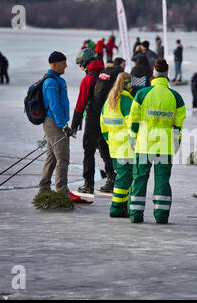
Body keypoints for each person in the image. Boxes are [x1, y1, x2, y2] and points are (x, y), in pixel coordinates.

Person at [127, 59, 186, 224]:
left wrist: (133, 140)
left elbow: (133, 120)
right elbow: (178, 125)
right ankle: (161, 215)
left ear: (154, 74)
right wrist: (176, 143)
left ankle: (135, 215)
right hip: (165, 146)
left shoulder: (142, 94)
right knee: (162, 180)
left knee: (139, 178)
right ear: (167, 75)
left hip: (144, 144)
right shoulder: (176, 97)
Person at [72, 55, 125, 194]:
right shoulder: (104, 75)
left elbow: (80, 103)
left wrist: (74, 124)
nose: (80, 67)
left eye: (80, 65)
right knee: (104, 147)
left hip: (92, 118)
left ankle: (88, 184)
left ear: (85, 63)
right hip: (106, 117)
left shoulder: (88, 78)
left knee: (89, 149)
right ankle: (112, 179)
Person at [38, 51, 83, 203]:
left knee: (52, 157)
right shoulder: (50, 82)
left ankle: (44, 187)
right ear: (55, 64)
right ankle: (62, 190)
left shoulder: (57, 80)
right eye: (63, 63)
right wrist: (62, 125)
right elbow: (54, 105)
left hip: (56, 121)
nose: (66, 66)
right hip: (53, 122)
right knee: (62, 156)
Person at [100, 72, 135, 217]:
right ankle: (116, 208)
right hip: (127, 148)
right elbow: (133, 125)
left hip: (114, 148)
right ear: (129, 85)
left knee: (122, 177)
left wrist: (110, 142)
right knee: (125, 179)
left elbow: (103, 127)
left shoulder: (109, 102)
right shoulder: (127, 102)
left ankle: (122, 207)